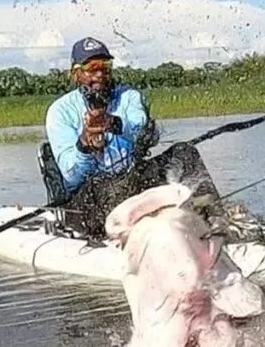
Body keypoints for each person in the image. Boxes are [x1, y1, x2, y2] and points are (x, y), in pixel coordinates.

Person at [44, 36, 224, 240]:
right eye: (92, 68)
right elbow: (71, 175)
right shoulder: (59, 111)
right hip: (88, 198)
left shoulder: (129, 96)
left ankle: (217, 222)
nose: (100, 74)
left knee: (184, 153)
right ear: (75, 73)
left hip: (131, 180)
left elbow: (140, 128)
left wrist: (112, 123)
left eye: (105, 66)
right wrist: (85, 145)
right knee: (107, 187)